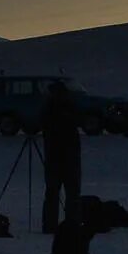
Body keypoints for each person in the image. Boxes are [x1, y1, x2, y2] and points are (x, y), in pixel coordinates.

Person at [38, 80, 81, 234]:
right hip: (68, 155)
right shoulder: (69, 106)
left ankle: (51, 225)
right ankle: (71, 223)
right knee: (71, 192)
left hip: (55, 155)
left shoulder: (50, 108)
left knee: (53, 192)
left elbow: (41, 122)